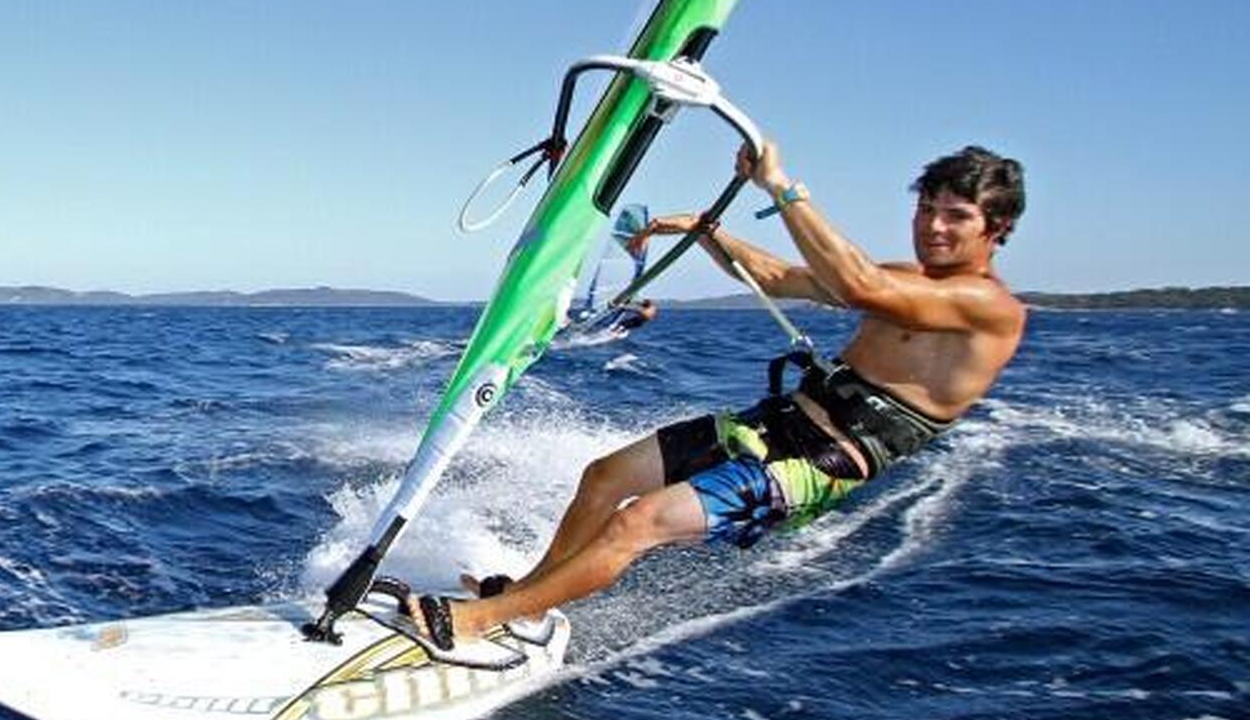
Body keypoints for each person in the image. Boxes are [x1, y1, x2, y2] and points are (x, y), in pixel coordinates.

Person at [414, 140, 1027, 650]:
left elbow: (861, 286)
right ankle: (525, 598)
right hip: (773, 424)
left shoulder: (987, 307)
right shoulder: (912, 277)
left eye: (956, 216)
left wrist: (780, 186)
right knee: (603, 477)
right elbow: (781, 278)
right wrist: (710, 232)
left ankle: (479, 621)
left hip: (818, 464)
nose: (933, 226)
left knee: (638, 523)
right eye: (926, 208)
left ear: (996, 230)